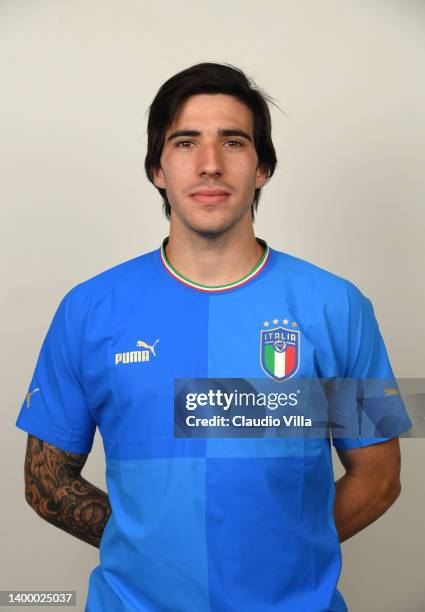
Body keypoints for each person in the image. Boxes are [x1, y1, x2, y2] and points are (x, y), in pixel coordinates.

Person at [16, 62, 412, 612]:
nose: (209, 165)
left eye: (233, 142)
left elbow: (379, 477)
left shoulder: (336, 306)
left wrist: (277, 551)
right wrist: (156, 551)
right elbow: (45, 480)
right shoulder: (89, 309)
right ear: (157, 168)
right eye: (185, 143)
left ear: (263, 168)